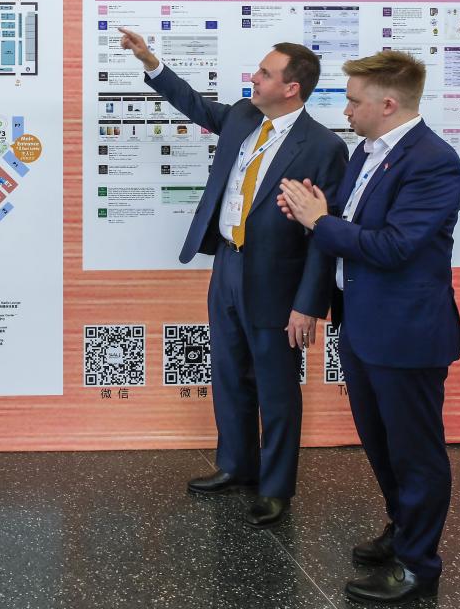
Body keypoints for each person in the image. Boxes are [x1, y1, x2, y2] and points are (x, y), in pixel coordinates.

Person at [118, 28, 348, 528]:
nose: (254, 77)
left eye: (265, 73)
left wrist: (309, 303)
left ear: (292, 88)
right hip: (228, 263)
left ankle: (275, 486)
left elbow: (323, 236)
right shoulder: (245, 117)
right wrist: (150, 60)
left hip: (277, 280)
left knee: (277, 387)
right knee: (228, 372)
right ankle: (236, 465)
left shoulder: (324, 147)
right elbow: (196, 106)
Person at [277, 50, 460, 603]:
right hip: (362, 325)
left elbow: (394, 247)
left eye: (354, 101)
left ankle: (419, 565)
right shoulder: (367, 152)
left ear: (388, 104)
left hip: (407, 333)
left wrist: (323, 222)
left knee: (415, 453)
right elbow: (349, 227)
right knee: (382, 445)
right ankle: (404, 529)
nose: (346, 111)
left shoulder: (433, 160)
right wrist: (317, 215)